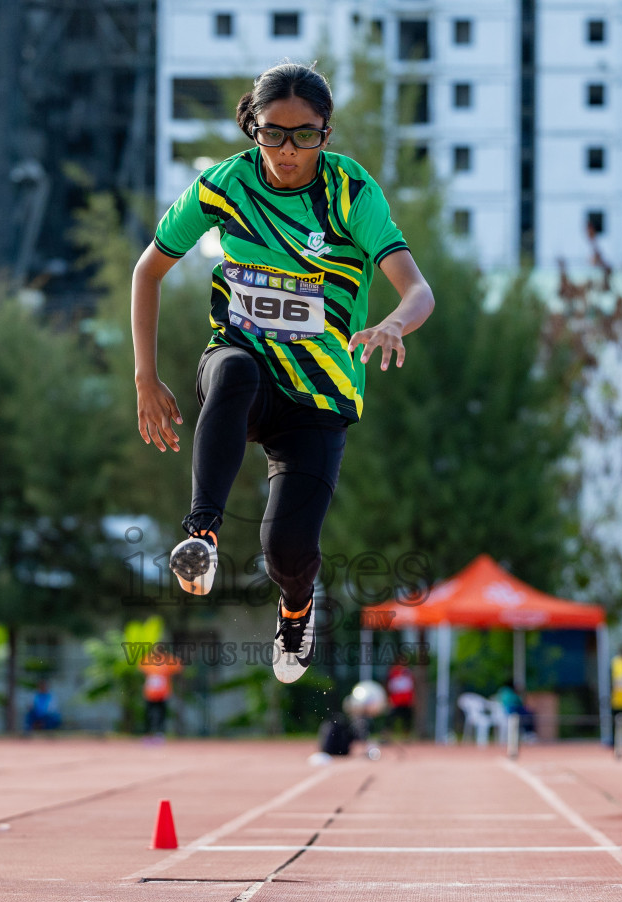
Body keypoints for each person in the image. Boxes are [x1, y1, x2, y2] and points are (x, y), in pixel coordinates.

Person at [132, 62, 434, 684]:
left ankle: (295, 609)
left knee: (287, 552)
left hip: (320, 395)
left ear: (326, 132)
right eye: (273, 134)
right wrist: (145, 376)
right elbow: (148, 272)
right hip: (243, 364)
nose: (288, 151)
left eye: (306, 135)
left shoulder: (351, 192)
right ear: (253, 127)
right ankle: (203, 537)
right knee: (234, 371)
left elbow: (418, 290)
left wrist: (394, 324)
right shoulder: (223, 186)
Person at [142, 656, 179, 739]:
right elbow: (142, 668)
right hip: (150, 694)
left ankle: (159, 733)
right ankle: (149, 733)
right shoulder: (148, 660)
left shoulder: (167, 660)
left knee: (161, 714)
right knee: (149, 714)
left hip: (162, 694)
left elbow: (178, 666)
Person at [384, 655, 415, 736]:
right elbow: (390, 687)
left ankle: (406, 735)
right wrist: (389, 698)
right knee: (391, 718)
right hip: (396, 701)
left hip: (406, 701)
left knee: (407, 719)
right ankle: (387, 734)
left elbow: (410, 687)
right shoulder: (394, 673)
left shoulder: (408, 673)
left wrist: (412, 699)